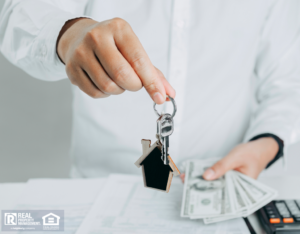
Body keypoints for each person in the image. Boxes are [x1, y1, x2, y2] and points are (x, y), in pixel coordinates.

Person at [0, 0, 300, 181]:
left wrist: (268, 142)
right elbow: (19, 10)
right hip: (103, 185)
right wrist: (67, 33)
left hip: (223, 179)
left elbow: (288, 81)